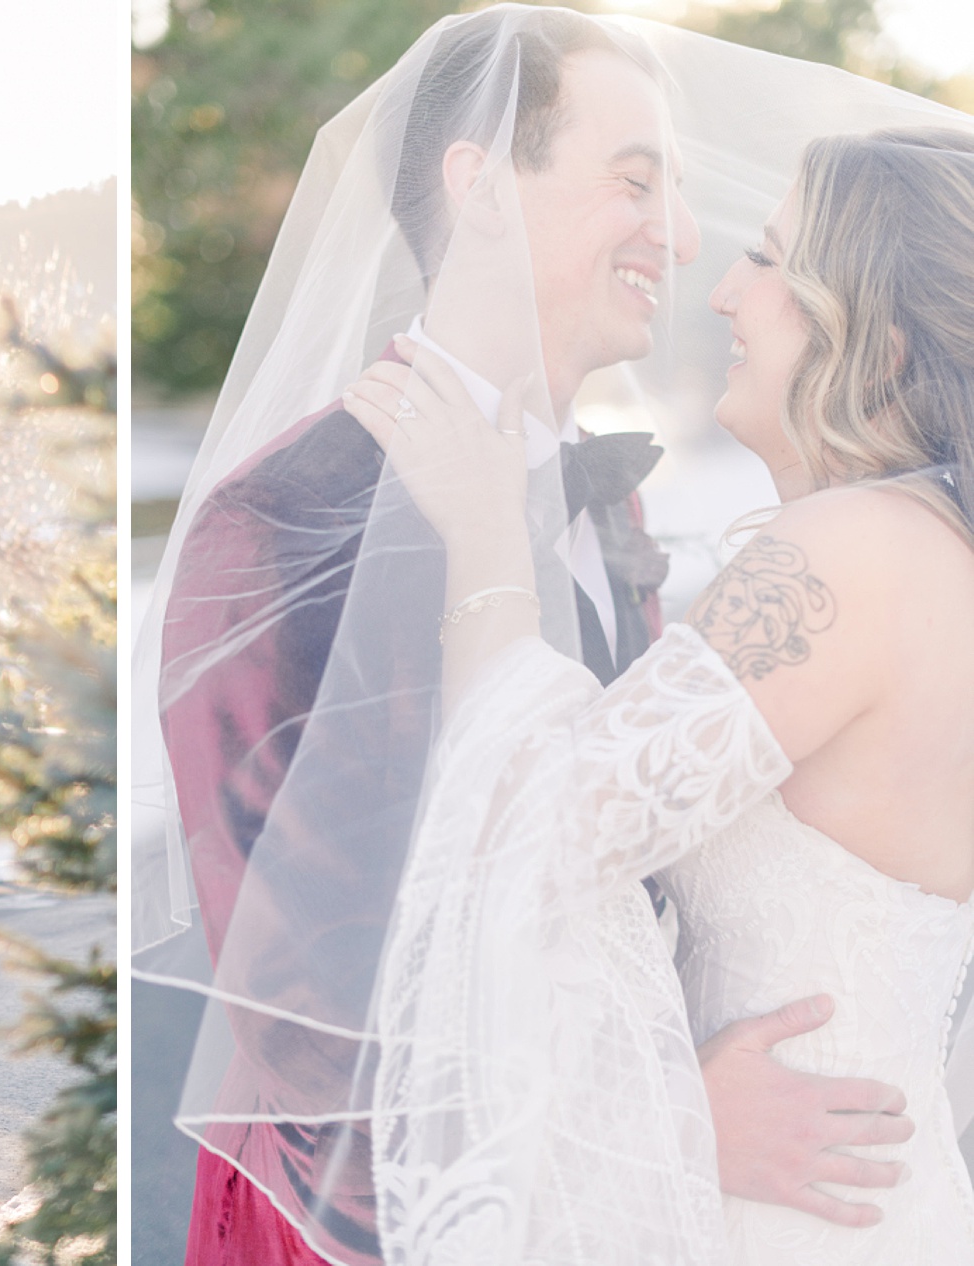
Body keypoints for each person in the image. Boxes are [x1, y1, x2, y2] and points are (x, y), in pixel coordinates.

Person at [133, 9, 915, 1263]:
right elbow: (307, 1020)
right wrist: (662, 1117)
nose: (673, 233)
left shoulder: (610, 503)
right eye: (631, 180)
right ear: (478, 183)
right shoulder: (277, 521)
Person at [346, 125, 974, 1262]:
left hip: (775, 1217)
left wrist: (488, 540)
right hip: (875, 1202)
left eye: (774, 263)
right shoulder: (938, 556)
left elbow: (518, 844)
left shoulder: (852, 553)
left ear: (874, 349)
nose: (725, 291)